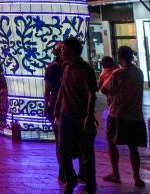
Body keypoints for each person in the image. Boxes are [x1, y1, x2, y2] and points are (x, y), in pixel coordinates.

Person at [55, 37, 97, 194]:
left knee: (86, 152)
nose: (61, 52)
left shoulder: (85, 69)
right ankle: (71, 178)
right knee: (62, 150)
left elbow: (91, 93)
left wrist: (89, 115)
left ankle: (90, 183)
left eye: (64, 49)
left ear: (72, 51)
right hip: (66, 114)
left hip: (81, 116)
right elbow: (63, 88)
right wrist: (57, 108)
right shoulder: (65, 67)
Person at [101, 46, 146, 188]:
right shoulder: (139, 72)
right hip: (136, 115)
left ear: (119, 57)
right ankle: (137, 177)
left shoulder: (117, 73)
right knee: (133, 147)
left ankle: (116, 173)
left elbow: (104, 89)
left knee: (111, 142)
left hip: (117, 113)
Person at [44, 42, 72, 184]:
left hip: (59, 106)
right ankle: (67, 171)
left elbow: (47, 90)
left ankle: (65, 171)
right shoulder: (64, 68)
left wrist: (46, 105)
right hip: (63, 107)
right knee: (64, 141)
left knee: (60, 141)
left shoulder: (56, 68)